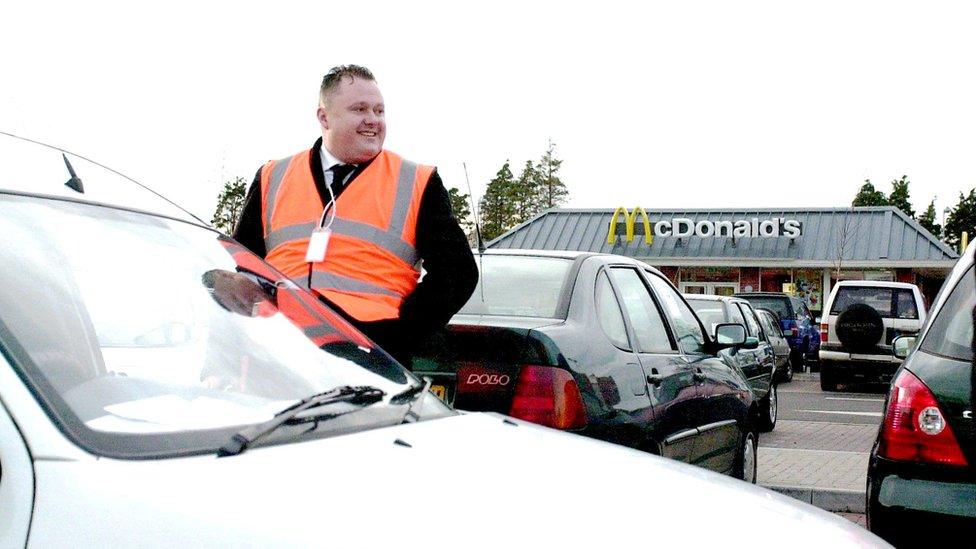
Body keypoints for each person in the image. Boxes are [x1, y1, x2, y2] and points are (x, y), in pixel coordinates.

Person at [234, 64, 477, 366]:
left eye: (379, 111)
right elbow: (240, 270)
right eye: (360, 109)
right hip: (279, 355)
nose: (373, 121)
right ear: (324, 117)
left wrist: (397, 339)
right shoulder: (273, 176)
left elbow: (458, 275)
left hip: (367, 360)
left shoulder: (416, 181)